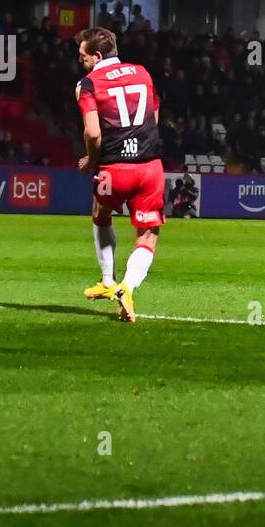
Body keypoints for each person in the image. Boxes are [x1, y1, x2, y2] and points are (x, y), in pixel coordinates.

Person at [75, 26, 165, 323]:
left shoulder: (88, 84)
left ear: (97, 55)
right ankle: (127, 287)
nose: (81, 62)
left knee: (100, 214)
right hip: (150, 167)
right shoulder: (143, 73)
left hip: (114, 169)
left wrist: (92, 159)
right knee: (147, 235)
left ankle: (108, 280)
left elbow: (93, 132)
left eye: (83, 57)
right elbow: (154, 116)